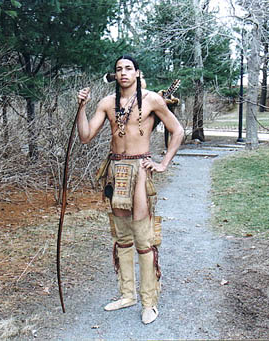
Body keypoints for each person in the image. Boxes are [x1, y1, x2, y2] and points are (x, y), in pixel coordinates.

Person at [77, 55, 184, 324]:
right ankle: (127, 295)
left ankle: (149, 302)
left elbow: (177, 130)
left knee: (143, 237)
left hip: (139, 169)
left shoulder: (151, 100)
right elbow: (85, 136)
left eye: (128, 68)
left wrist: (163, 163)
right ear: (114, 75)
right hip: (115, 170)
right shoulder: (106, 103)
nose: (123, 73)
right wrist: (81, 107)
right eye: (118, 69)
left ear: (137, 72)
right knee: (122, 237)